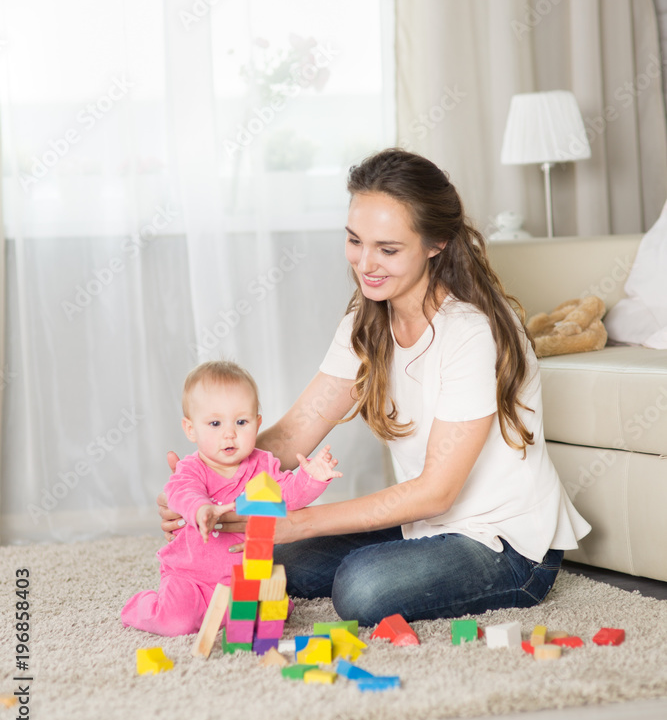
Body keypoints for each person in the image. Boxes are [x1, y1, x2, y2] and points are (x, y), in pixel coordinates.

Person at [158, 148, 591, 628]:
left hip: (504, 543)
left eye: (388, 249)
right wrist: (208, 479)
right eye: (354, 240)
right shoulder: (364, 326)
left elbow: (437, 492)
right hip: (422, 526)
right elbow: (293, 433)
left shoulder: (469, 332)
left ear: (436, 243)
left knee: (361, 588)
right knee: (270, 555)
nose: (365, 263)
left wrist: (298, 522)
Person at [122, 360, 341, 635]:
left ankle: (239, 611)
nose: (229, 434)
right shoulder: (191, 468)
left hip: (241, 577)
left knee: (265, 617)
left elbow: (288, 495)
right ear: (191, 429)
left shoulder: (263, 465)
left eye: (241, 422)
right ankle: (140, 606)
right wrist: (201, 509)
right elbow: (183, 491)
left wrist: (312, 478)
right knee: (177, 621)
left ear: (257, 424)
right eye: (215, 423)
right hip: (190, 577)